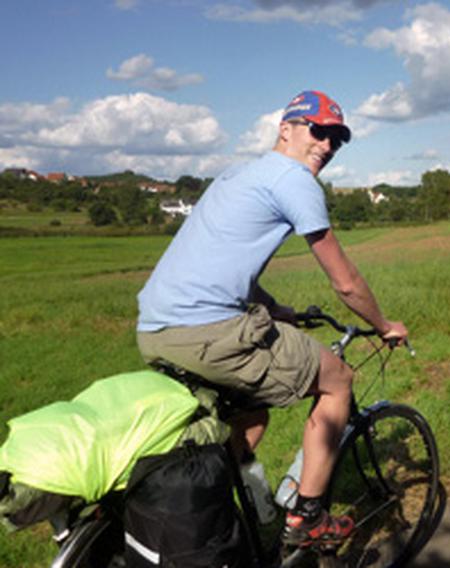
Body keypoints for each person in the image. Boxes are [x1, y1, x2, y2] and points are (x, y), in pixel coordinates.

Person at [135, 90, 407, 547]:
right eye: (319, 132)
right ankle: (308, 519)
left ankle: (218, 513)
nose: (327, 146)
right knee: (337, 378)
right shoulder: (295, 180)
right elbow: (346, 283)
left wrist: (275, 309)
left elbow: (223, 263)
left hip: (157, 331)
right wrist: (384, 325)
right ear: (287, 129)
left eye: (337, 140)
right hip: (207, 332)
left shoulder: (238, 174)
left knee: (252, 413)